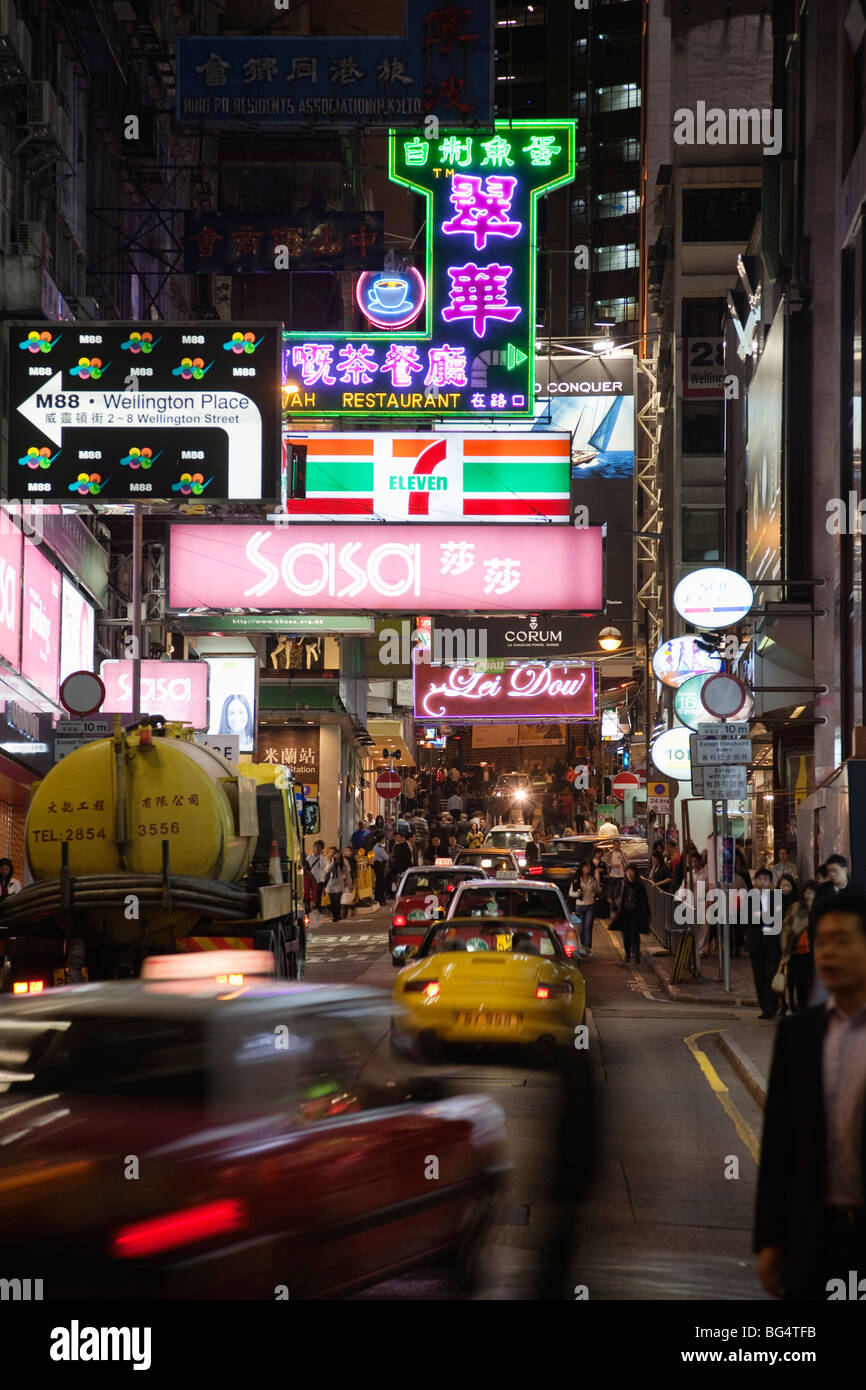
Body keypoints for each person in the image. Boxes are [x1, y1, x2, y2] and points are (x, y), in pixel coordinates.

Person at [754, 891, 866, 1300]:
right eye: (822, 941)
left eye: (844, 940)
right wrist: (769, 1239)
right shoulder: (798, 1036)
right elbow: (778, 1143)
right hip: (812, 1238)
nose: (829, 952)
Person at [747, 868, 783, 1019]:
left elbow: (777, 918)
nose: (762, 882)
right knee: (759, 975)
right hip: (756, 942)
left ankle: (773, 1005)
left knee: (771, 973)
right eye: (759, 879)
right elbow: (749, 918)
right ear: (755, 881)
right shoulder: (750, 897)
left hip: (772, 942)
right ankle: (765, 1007)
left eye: (765, 879)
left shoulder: (776, 897)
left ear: (770, 882)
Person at [780, 879, 817, 1015]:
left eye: (812, 893)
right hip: (797, 952)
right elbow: (786, 929)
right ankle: (802, 1011)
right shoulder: (796, 908)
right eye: (807, 892)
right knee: (801, 984)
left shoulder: (819, 910)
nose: (808, 895)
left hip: (814, 953)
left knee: (813, 984)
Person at [611, 864, 650, 965]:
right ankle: (627, 954)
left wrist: (648, 913)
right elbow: (616, 897)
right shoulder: (622, 884)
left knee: (635, 933)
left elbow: (645, 900)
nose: (629, 873)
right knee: (626, 934)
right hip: (624, 913)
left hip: (636, 912)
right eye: (628, 871)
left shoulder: (639, 885)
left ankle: (636, 953)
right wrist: (614, 910)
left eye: (631, 871)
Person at [773, 873, 800, 1016]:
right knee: (780, 974)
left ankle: (792, 1002)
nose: (785, 888)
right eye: (782, 885)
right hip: (778, 943)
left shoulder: (797, 902)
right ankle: (782, 1003)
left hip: (793, 943)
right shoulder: (774, 901)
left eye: (788, 885)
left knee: (791, 976)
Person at [569, 861, 599, 958]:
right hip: (578, 906)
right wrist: (577, 894)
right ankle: (582, 947)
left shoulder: (592, 879)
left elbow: (597, 890)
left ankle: (587, 949)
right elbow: (570, 893)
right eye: (586, 866)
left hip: (590, 905)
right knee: (580, 929)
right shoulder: (576, 880)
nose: (588, 868)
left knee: (587, 928)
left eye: (589, 866)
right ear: (582, 868)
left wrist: (597, 883)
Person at [325, 849, 352, 923]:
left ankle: (337, 916)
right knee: (332, 901)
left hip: (339, 884)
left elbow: (347, 875)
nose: (337, 855)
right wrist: (333, 863)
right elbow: (328, 870)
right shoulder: (331, 863)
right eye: (335, 854)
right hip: (331, 884)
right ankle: (335, 915)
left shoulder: (343, 864)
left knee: (337, 901)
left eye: (338, 854)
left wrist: (350, 885)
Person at [306, 840, 329, 913]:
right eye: (315, 846)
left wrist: (321, 856)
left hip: (319, 880)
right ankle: (312, 909)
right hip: (312, 880)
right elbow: (307, 867)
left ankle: (317, 909)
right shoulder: (309, 857)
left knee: (318, 896)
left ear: (321, 848)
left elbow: (323, 866)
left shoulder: (323, 858)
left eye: (318, 847)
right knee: (311, 895)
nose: (316, 848)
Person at [389, 831, 413, 896]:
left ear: (403, 838)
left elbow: (403, 857)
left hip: (402, 867)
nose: (397, 838)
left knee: (400, 881)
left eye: (399, 837)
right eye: (396, 837)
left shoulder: (402, 846)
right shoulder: (397, 845)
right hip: (399, 867)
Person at [371, 835, 389, 906]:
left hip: (377, 866)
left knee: (379, 883)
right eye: (384, 839)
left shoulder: (375, 846)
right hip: (380, 866)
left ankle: (378, 898)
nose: (384, 840)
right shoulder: (379, 847)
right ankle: (380, 899)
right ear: (381, 840)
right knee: (381, 884)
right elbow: (386, 857)